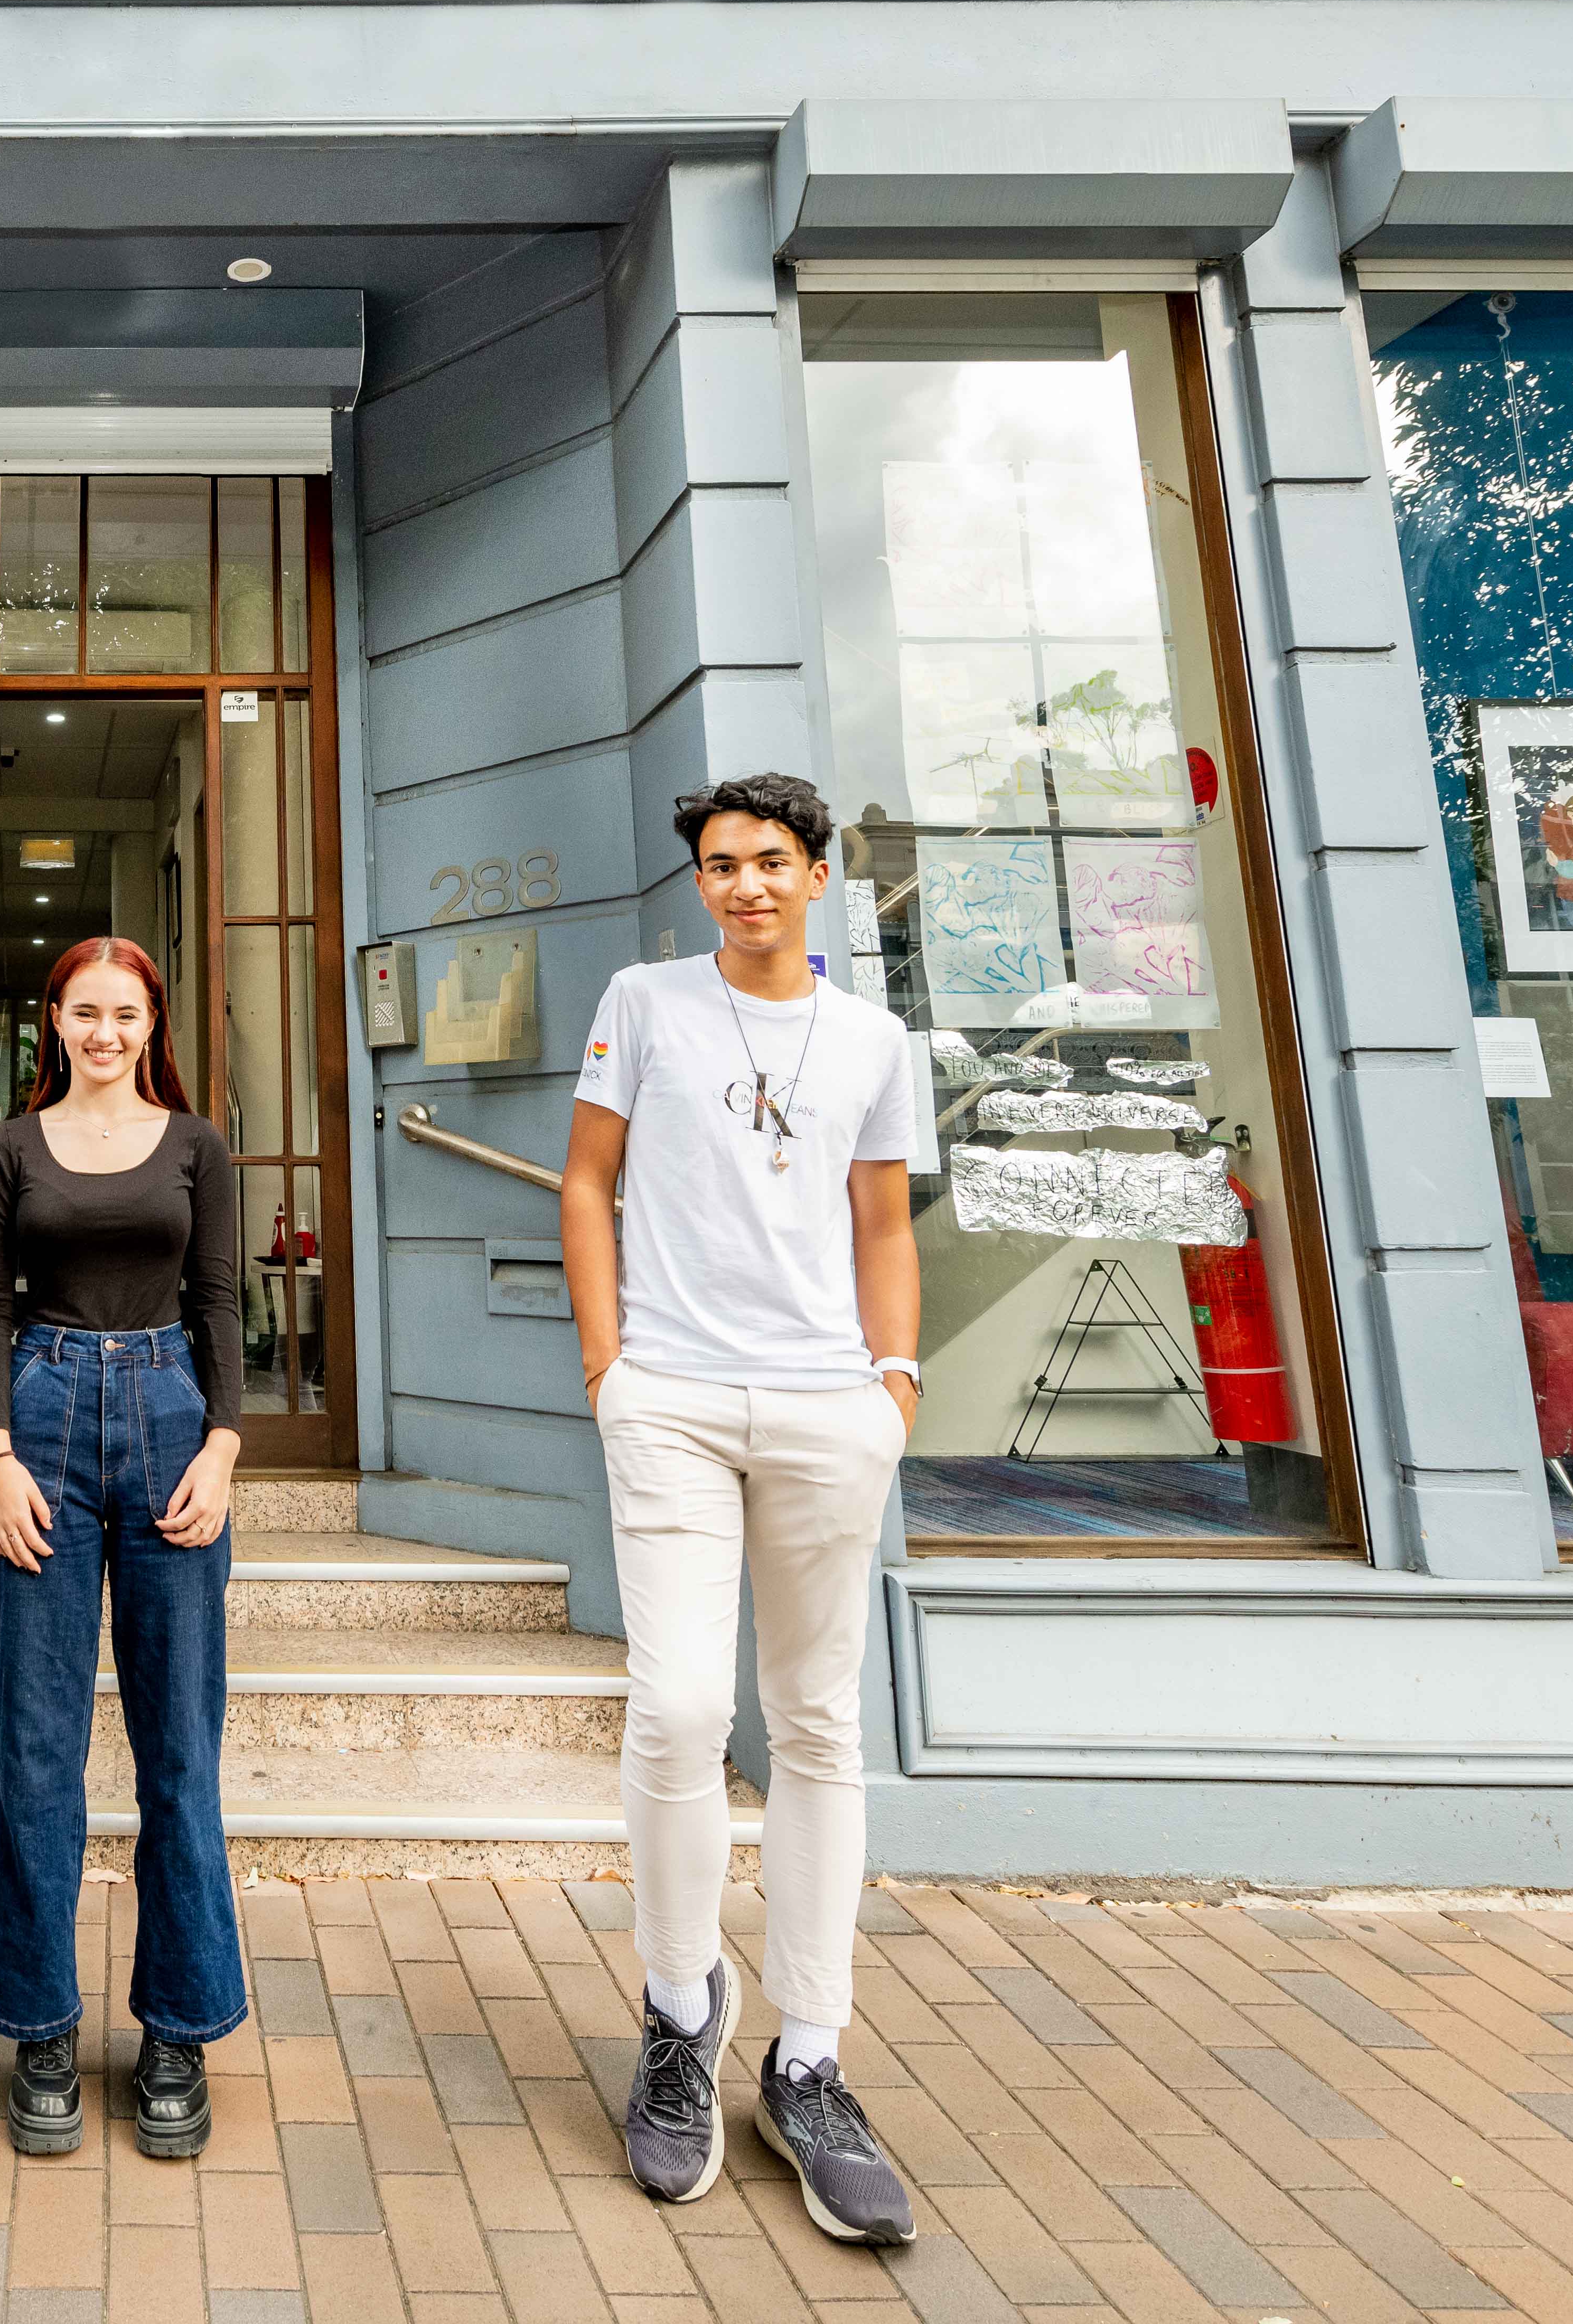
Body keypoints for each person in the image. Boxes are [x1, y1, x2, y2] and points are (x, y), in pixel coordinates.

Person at [559, 774, 924, 2247]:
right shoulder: (642, 1003)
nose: (745, 886)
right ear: (697, 883)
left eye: (769, 863)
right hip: (673, 1402)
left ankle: (810, 2056)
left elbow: (882, 1219)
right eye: (720, 866)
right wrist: (608, 1369)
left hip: (829, 1409)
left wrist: (890, 1385)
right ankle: (672, 2016)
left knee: (818, 1720)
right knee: (674, 1709)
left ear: (817, 877)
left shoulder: (872, 1040)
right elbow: (586, 1185)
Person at [0, 934, 246, 2161]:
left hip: (173, 1419)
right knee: (37, 1743)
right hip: (41, 1420)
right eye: (84, 1012)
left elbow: (221, 1301)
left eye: (124, 1014)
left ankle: (175, 2028)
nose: (104, 1033)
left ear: (151, 1023)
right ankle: (38, 2022)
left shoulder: (197, 1146)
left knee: (177, 1739)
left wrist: (226, 1445)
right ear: (54, 1022)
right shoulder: (6, 1148)